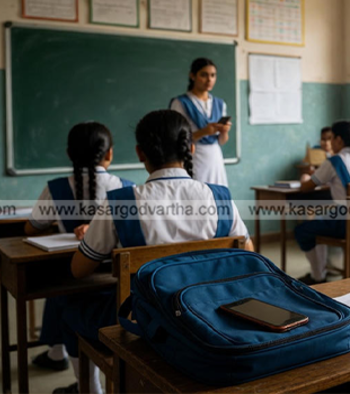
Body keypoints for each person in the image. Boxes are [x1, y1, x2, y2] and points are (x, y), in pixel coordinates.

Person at [52, 110, 250, 394]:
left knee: (70, 309)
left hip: (146, 324)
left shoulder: (122, 203)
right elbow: (247, 254)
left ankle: (91, 389)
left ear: (140, 153)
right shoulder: (220, 197)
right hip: (210, 317)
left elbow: (79, 270)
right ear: (191, 149)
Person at [25, 122, 133, 372]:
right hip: (116, 282)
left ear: (69, 154)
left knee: (57, 288)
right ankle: (56, 353)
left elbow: (31, 228)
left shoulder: (56, 188)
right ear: (109, 153)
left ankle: (58, 353)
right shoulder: (127, 188)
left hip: (73, 275)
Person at [295, 120, 350, 285]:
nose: (330, 143)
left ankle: (318, 276)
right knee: (320, 220)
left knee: (303, 230)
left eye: (331, 138)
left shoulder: (335, 161)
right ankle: (325, 268)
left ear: (338, 140)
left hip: (346, 222)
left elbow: (306, 187)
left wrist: (305, 177)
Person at [169, 58, 231, 185]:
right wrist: (204, 132)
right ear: (192, 76)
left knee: (217, 191)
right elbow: (176, 138)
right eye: (204, 75)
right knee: (197, 192)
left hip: (215, 159)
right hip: (193, 157)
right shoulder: (180, 103)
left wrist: (224, 132)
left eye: (213, 75)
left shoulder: (219, 104)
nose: (209, 80)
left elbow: (221, 141)